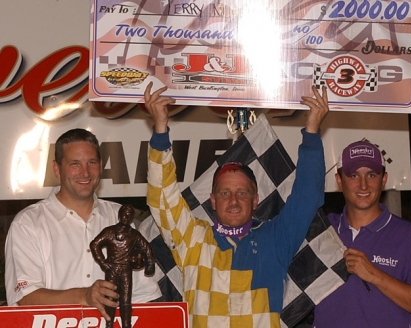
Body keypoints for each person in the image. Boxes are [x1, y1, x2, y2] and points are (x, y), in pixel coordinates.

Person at [140, 82, 329, 328]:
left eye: (242, 193)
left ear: (255, 200)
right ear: (213, 201)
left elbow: (307, 195)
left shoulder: (275, 239)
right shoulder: (193, 239)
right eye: (225, 192)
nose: (233, 200)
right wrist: (160, 129)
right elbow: (162, 197)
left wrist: (312, 131)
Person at [5, 128, 162, 323]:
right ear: (56, 169)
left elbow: (146, 297)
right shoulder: (28, 223)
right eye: (75, 164)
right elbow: (24, 300)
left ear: (101, 166)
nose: (85, 172)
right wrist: (84, 296)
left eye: (92, 163)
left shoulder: (119, 215)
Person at [312, 140, 411, 327]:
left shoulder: (407, 235)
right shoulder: (323, 230)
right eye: (353, 175)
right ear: (339, 181)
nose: (363, 185)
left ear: (384, 180)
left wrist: (373, 274)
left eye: (371, 175)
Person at [91, 204, 156, 328]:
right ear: (119, 215)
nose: (126, 217)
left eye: (129, 215)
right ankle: (109, 324)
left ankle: (127, 325)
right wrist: (103, 262)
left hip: (126, 269)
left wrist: (149, 265)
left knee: (126, 300)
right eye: (124, 214)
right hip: (112, 268)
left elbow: (147, 248)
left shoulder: (134, 234)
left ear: (132, 218)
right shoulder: (110, 231)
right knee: (110, 298)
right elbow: (95, 244)